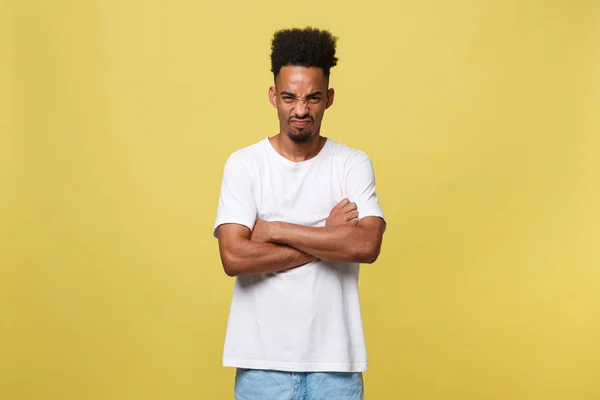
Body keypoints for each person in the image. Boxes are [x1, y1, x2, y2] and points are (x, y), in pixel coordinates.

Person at [213, 26, 386, 400]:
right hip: (262, 367)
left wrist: (273, 229)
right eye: (290, 97)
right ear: (274, 96)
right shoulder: (245, 165)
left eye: (313, 97)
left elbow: (367, 245)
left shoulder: (352, 164)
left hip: (335, 368)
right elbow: (234, 256)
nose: (301, 109)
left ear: (330, 98)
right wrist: (328, 236)